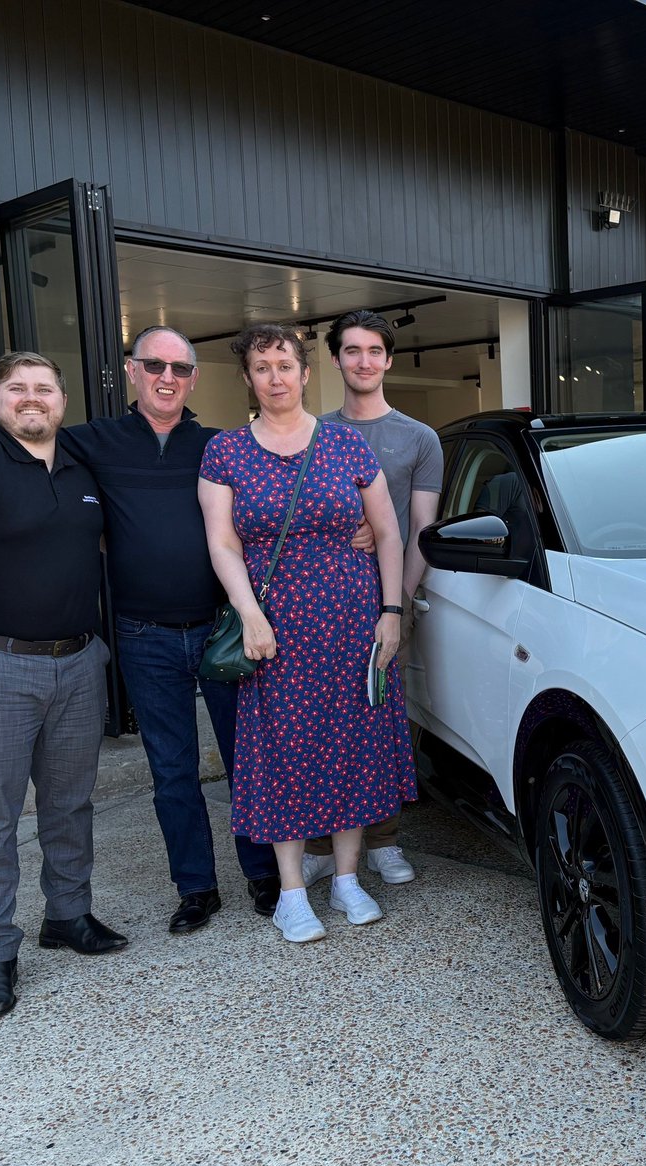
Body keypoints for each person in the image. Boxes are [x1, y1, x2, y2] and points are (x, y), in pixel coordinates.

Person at [0, 326, 284, 935]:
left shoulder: (221, 445)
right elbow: (20, 438)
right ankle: (196, 888)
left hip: (221, 629)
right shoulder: (96, 441)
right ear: (132, 372)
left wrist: (355, 529)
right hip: (143, 635)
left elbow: (280, 495)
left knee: (249, 759)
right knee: (172, 771)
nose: (166, 378)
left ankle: (265, 876)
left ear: (193, 379)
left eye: (179, 369)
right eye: (154, 366)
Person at [0, 352, 127, 1019]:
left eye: (44, 388)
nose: (32, 398)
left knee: (70, 804)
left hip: (77, 662)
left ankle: (68, 915)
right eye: (19, 389)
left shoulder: (81, 467)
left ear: (64, 401)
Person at [198, 323, 417, 942]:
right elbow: (221, 542)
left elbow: (390, 532)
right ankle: (292, 891)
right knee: (283, 750)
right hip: (276, 629)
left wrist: (391, 612)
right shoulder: (227, 452)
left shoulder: (346, 444)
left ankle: (347, 878)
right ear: (248, 377)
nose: (275, 377)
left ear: (304, 373)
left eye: (285, 365)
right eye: (262, 367)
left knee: (351, 742)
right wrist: (249, 613)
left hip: (353, 622)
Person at [299, 309, 443, 891]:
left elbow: (420, 529)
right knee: (314, 720)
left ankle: (383, 838)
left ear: (387, 359)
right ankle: (316, 843)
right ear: (335, 360)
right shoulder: (309, 434)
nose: (363, 361)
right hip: (315, 603)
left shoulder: (418, 438)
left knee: (380, 719)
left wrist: (399, 604)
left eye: (374, 351)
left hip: (383, 600)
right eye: (352, 351)